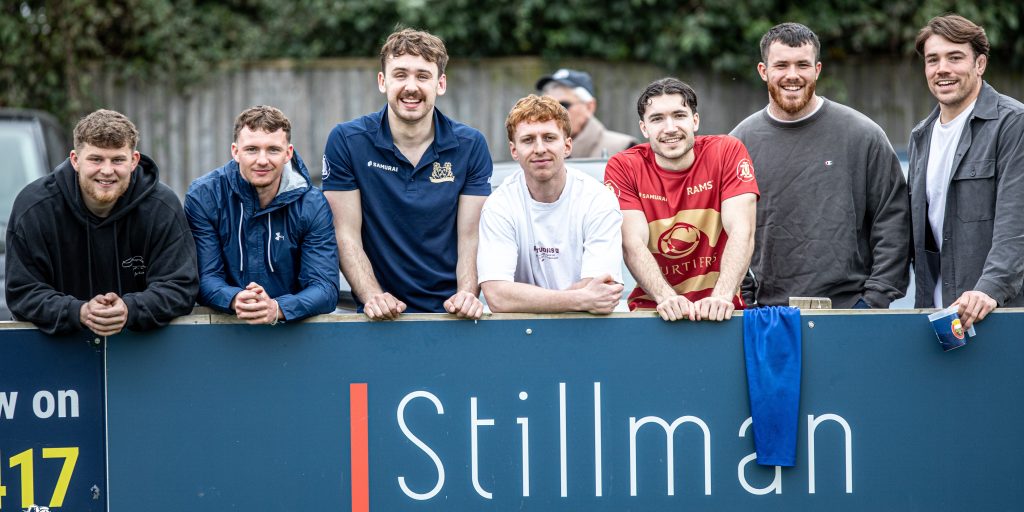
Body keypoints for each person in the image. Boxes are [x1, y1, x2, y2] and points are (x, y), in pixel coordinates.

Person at [730, 22, 910, 309]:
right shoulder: (737, 145)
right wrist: (747, 300)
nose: (792, 75)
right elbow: (724, 233)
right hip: (765, 315)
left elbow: (893, 221)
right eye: (781, 65)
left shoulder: (863, 135)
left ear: (817, 69)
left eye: (802, 65)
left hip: (849, 312)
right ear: (763, 71)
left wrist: (873, 301)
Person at [322, 28, 492, 320]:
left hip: (453, 316)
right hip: (378, 316)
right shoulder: (347, 141)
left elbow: (471, 236)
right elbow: (345, 233)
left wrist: (466, 294)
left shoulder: (470, 145)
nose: (411, 87)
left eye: (423, 76)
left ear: (440, 84)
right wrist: (373, 296)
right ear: (382, 81)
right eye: (400, 75)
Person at [4, 109, 198, 335]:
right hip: (56, 348)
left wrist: (130, 309)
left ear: (134, 161)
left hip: (141, 348)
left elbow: (180, 286)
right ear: (75, 160)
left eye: (118, 160)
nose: (107, 171)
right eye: (96, 159)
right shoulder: (35, 208)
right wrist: (78, 312)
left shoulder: (161, 207)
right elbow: (23, 292)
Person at [604, 78, 758, 322]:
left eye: (679, 115)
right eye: (657, 119)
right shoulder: (624, 166)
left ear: (695, 121)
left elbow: (742, 230)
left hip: (724, 309)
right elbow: (632, 243)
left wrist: (722, 297)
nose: (670, 128)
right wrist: (666, 298)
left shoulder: (726, 151)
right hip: (655, 311)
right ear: (644, 128)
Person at [909, 14, 1024, 328]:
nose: (942, 68)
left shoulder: (1013, 124)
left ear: (980, 64)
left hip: (999, 315)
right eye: (933, 60)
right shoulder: (921, 136)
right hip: (940, 318)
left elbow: (1016, 223)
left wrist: (989, 290)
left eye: (955, 57)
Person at [184, 105, 339, 324]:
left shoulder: (312, 204)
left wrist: (278, 308)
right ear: (235, 151)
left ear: (288, 153)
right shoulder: (205, 196)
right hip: (224, 328)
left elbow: (324, 287)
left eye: (273, 150)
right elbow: (205, 277)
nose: (263, 160)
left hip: (292, 332)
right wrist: (235, 299)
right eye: (252, 149)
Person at [478, 95, 624, 313]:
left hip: (588, 328)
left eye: (549, 138)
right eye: (528, 140)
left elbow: (602, 288)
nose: (539, 149)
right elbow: (497, 296)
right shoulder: (499, 205)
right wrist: (580, 299)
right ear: (514, 150)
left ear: (567, 146)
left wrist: (525, 299)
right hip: (520, 330)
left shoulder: (598, 199)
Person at [537, 68, 638, 158]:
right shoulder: (537, 151)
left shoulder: (624, 149)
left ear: (589, 107)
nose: (553, 112)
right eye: (547, 106)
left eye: (563, 105)